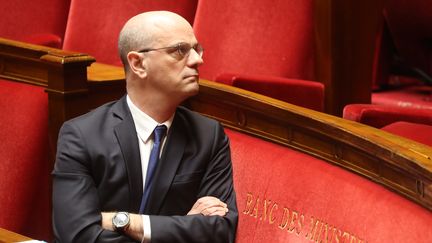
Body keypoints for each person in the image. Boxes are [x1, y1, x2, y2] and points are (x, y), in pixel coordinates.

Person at [52, 11, 238, 243]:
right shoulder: (81, 135)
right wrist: (182, 226)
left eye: (196, 49)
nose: (197, 60)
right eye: (180, 50)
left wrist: (124, 221)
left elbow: (219, 232)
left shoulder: (208, 135)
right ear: (138, 63)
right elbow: (77, 235)